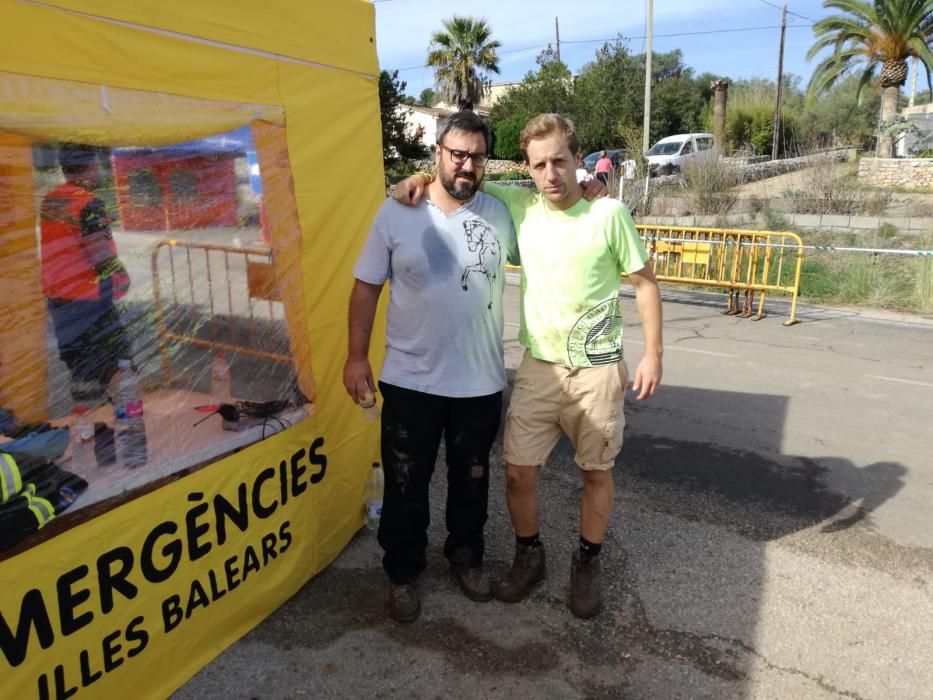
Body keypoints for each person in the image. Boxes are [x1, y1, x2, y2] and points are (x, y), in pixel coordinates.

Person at [393, 113, 663, 619]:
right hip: (540, 366)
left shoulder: (609, 215)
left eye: (560, 161)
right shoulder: (521, 205)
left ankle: (586, 563)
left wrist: (653, 353)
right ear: (527, 168)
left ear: (578, 159)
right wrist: (419, 178)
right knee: (517, 472)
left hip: (597, 369)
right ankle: (529, 556)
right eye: (539, 165)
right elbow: (462, 173)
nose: (550, 174)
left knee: (595, 472)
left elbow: (645, 284)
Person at [343, 111, 518, 623]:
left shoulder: (502, 212)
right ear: (436, 154)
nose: (466, 164)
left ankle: (466, 559)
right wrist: (355, 357)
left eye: (477, 156)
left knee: (472, 481)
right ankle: (402, 573)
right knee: (404, 485)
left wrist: (592, 188)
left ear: (486, 160)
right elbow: (366, 287)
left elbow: (558, 212)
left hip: (480, 382)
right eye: (457, 154)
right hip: (411, 380)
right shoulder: (397, 212)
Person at [40, 144, 131, 402]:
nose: (99, 169)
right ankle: (120, 422)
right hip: (88, 295)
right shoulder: (88, 203)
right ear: (90, 166)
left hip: (59, 295)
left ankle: (89, 423)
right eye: (97, 164)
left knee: (81, 367)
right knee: (118, 363)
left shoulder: (51, 200)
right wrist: (120, 276)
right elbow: (98, 249)